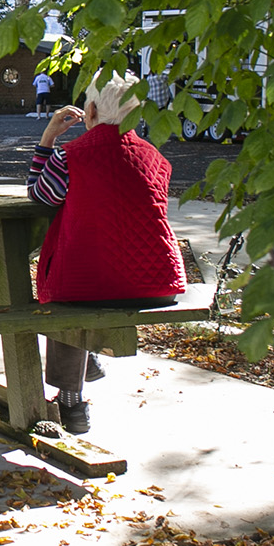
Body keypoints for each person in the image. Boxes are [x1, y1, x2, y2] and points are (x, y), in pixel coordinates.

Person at [25, 72, 186, 436]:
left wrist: (48, 138)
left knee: (72, 285)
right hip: (158, 283)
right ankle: (90, 358)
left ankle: (71, 400)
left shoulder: (73, 155)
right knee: (92, 270)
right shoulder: (156, 158)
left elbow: (40, 195)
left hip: (91, 285)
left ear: (91, 109)